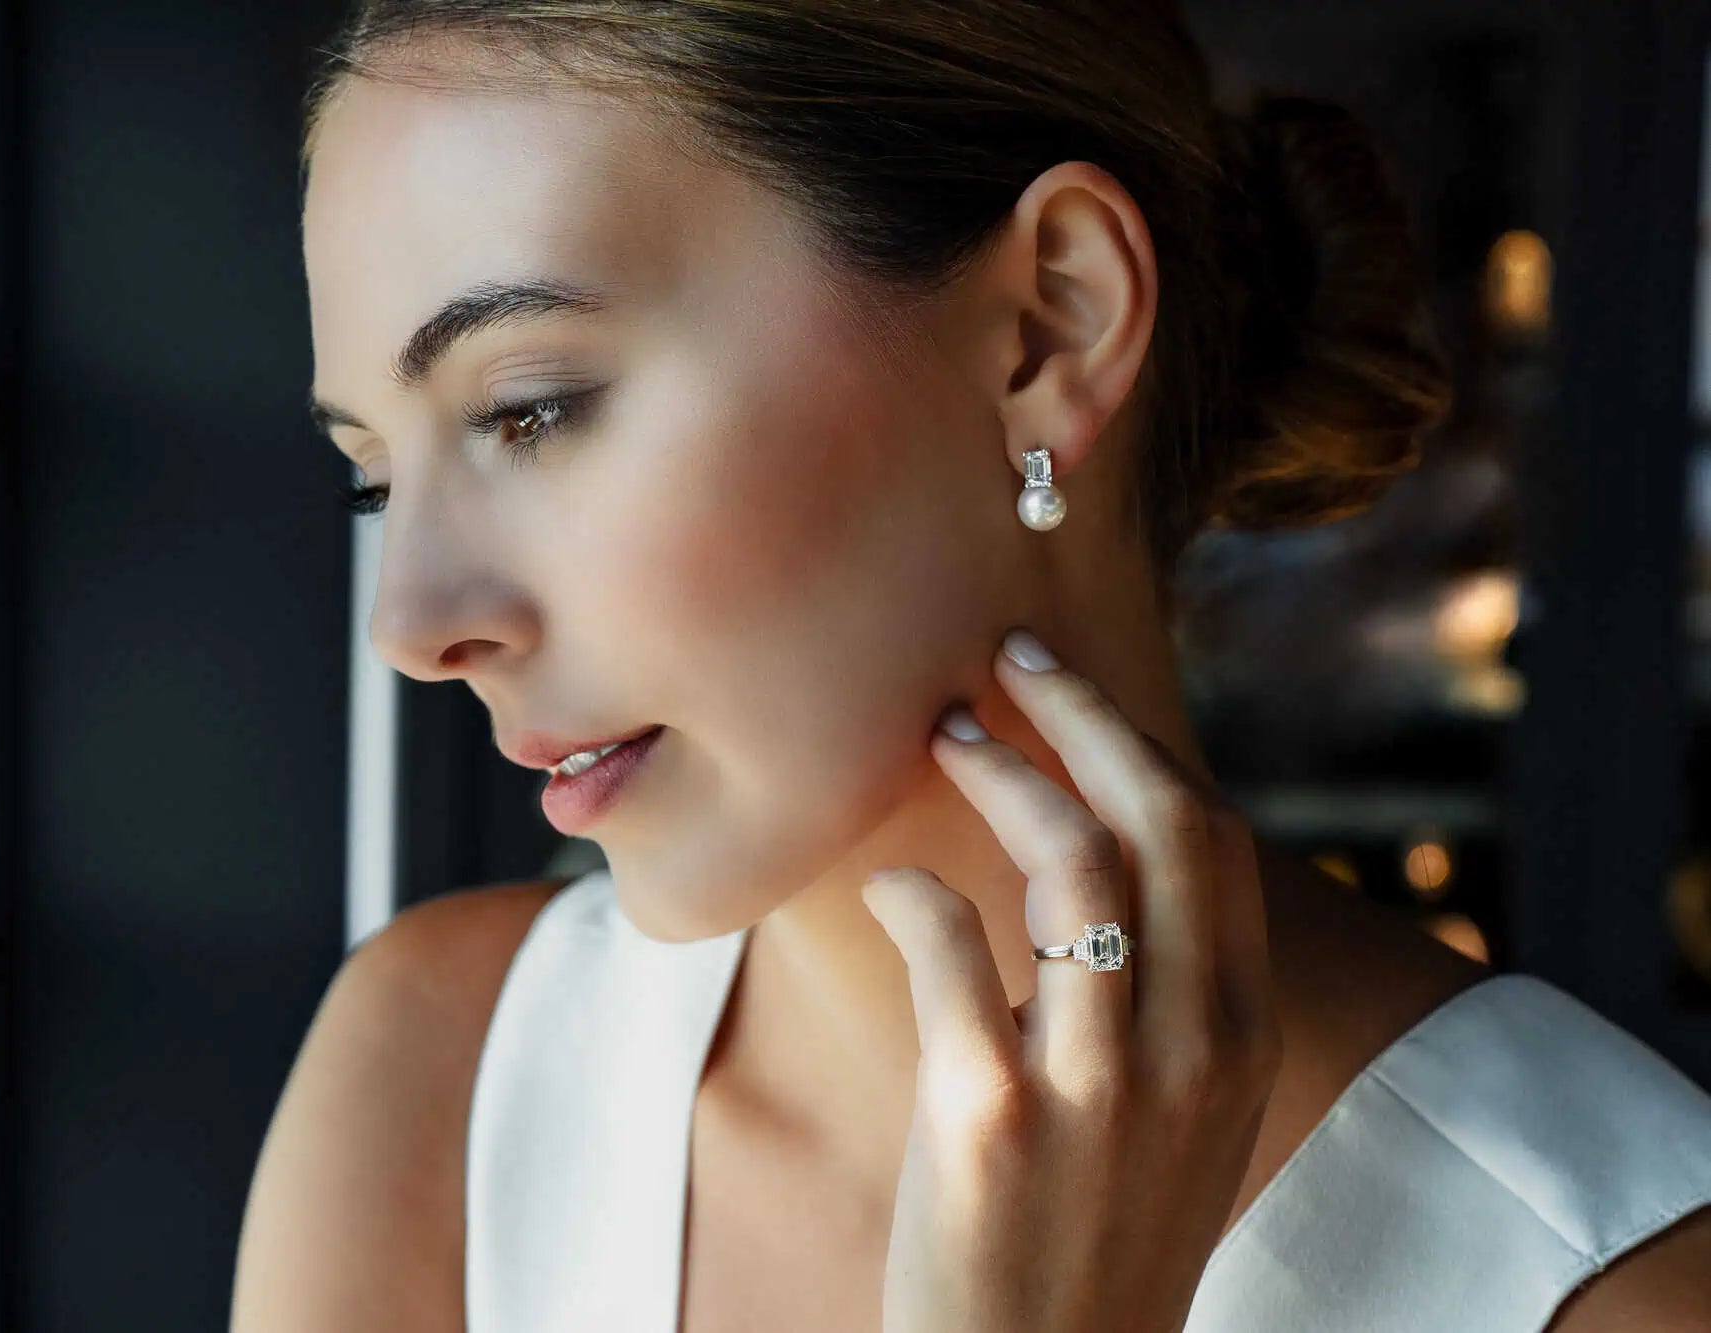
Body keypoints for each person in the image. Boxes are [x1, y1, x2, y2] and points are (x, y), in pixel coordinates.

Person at [231, 2, 1711, 1329]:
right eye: (374, 477)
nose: (410, 623)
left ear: (1047, 326)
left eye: (533, 410)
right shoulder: (439, 1082)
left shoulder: (1608, 1281)